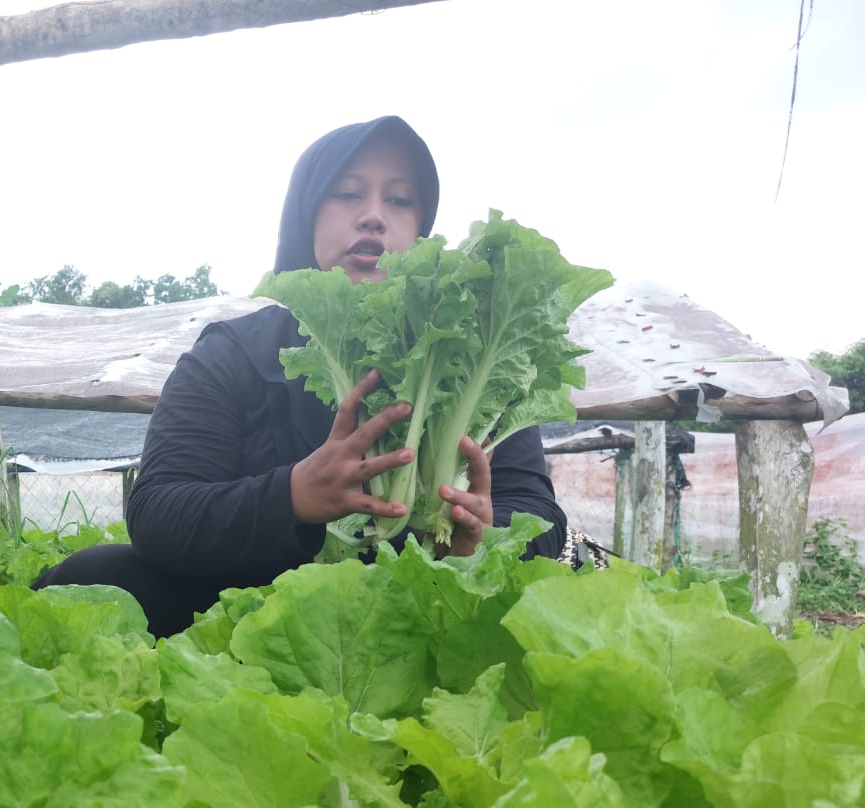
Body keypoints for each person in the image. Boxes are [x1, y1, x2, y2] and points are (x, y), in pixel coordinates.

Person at [32, 116, 566, 636]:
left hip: (418, 613)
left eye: (400, 200)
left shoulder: (473, 358)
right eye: (347, 194)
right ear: (305, 214)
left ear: (422, 230)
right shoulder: (235, 352)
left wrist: (484, 528)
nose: (374, 217)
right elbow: (159, 512)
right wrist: (293, 494)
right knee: (98, 578)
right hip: (255, 615)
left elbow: (540, 517)